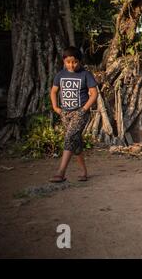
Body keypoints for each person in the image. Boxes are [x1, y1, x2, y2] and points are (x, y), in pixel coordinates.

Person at [49, 46, 98, 183]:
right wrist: (55, 107)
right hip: (65, 113)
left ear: (79, 61)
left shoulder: (85, 75)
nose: (71, 65)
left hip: (80, 112)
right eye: (68, 62)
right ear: (64, 61)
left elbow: (94, 94)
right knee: (75, 142)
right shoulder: (60, 75)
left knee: (69, 137)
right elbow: (53, 91)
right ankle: (83, 172)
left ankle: (61, 172)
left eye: (75, 62)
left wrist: (84, 109)